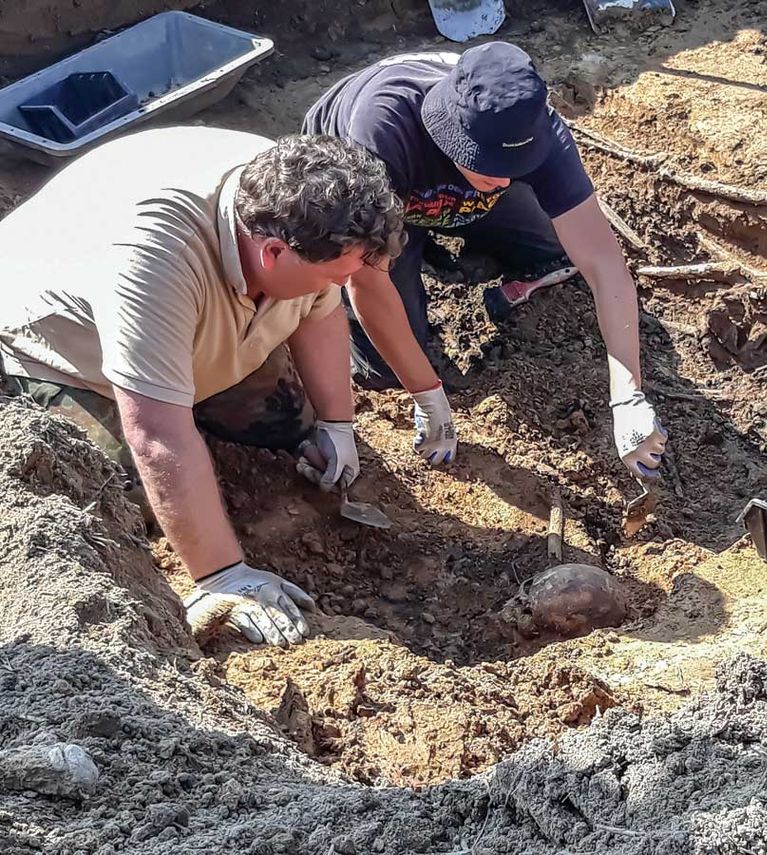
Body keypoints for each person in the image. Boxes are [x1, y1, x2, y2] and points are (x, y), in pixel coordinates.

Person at [0, 126, 404, 647]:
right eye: (332, 276)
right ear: (274, 253)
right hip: (69, 348)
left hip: (205, 325)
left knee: (288, 425)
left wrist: (337, 423)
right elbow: (158, 433)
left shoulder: (305, 201)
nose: (337, 287)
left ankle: (204, 393)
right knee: (122, 496)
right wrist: (223, 576)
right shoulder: (151, 260)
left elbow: (321, 312)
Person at [303, 42, 668, 477]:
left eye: (514, 166)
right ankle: (415, 245)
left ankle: (444, 243)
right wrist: (427, 394)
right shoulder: (380, 132)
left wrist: (627, 394)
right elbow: (366, 282)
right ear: (451, 131)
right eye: (487, 164)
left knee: (555, 248)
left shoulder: (531, 127)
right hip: (367, 193)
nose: (500, 179)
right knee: (384, 368)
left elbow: (604, 262)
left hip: (443, 190)